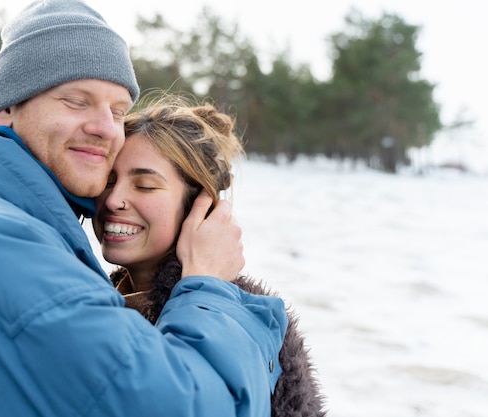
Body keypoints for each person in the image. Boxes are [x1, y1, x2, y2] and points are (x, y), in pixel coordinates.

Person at [0, 1, 289, 416]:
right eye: (76, 101)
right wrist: (208, 289)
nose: (106, 128)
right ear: (7, 108)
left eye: (118, 110)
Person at [92, 94, 327, 417]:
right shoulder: (91, 300)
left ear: (198, 206)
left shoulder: (241, 318)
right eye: (108, 181)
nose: (114, 199)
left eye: (145, 185)